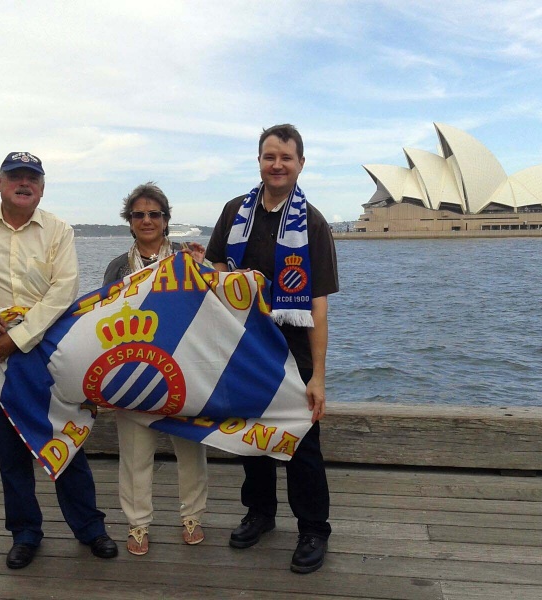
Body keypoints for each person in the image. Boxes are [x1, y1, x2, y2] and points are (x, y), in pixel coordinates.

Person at [0, 152, 118, 569]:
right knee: (10, 450)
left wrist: (16, 339)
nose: (24, 183)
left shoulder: (57, 230)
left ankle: (90, 527)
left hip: (47, 353)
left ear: (41, 186)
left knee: (66, 440)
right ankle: (25, 533)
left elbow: (63, 291)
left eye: (31, 178)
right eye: (15, 176)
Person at [205, 124, 339, 574]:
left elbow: (317, 307)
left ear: (301, 163)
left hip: (293, 354)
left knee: (302, 444)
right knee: (252, 439)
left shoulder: (314, 224)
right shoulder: (233, 212)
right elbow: (216, 273)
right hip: (243, 348)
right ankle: (260, 513)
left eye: (285, 157)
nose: (276, 164)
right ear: (259, 161)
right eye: (269, 156)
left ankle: (313, 528)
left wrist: (318, 376)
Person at [103, 181, 209, 557]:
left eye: (154, 214)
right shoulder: (117, 267)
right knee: (134, 453)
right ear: (129, 222)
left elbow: (214, 305)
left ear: (166, 220)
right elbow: (100, 322)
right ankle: (137, 524)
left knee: (190, 449)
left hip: (184, 370)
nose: (147, 220)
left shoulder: (189, 257)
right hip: (132, 372)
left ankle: (193, 516)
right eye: (139, 214)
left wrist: (203, 269)